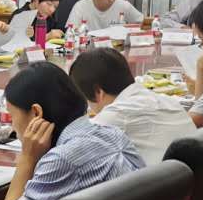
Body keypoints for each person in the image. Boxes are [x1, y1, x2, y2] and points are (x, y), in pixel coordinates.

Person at [0, 62, 143, 200]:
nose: (13, 128)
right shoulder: (115, 135)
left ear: (36, 113)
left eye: (13, 117)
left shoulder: (62, 159)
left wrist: (27, 158)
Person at [67, 47, 195, 165]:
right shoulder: (167, 101)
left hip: (165, 181)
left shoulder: (116, 116)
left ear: (98, 92)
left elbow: (67, 156)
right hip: (192, 176)